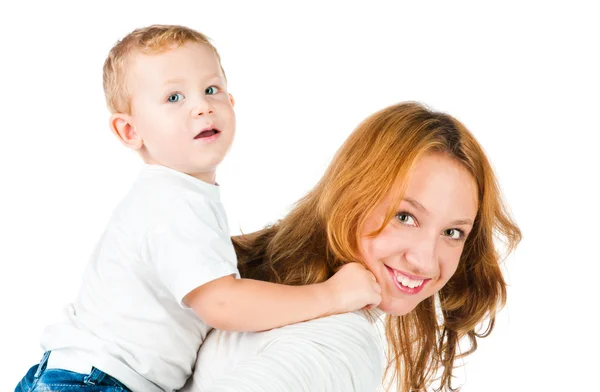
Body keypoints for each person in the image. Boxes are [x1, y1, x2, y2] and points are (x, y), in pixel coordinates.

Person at [14, 24, 382, 392]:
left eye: (211, 90)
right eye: (174, 98)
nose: (202, 106)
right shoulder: (171, 203)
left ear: (232, 102)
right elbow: (222, 304)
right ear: (130, 131)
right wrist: (332, 296)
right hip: (96, 382)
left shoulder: (176, 196)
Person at [183, 101, 522, 392]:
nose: (425, 261)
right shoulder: (340, 343)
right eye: (404, 217)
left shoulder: (246, 283)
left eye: (452, 232)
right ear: (351, 198)